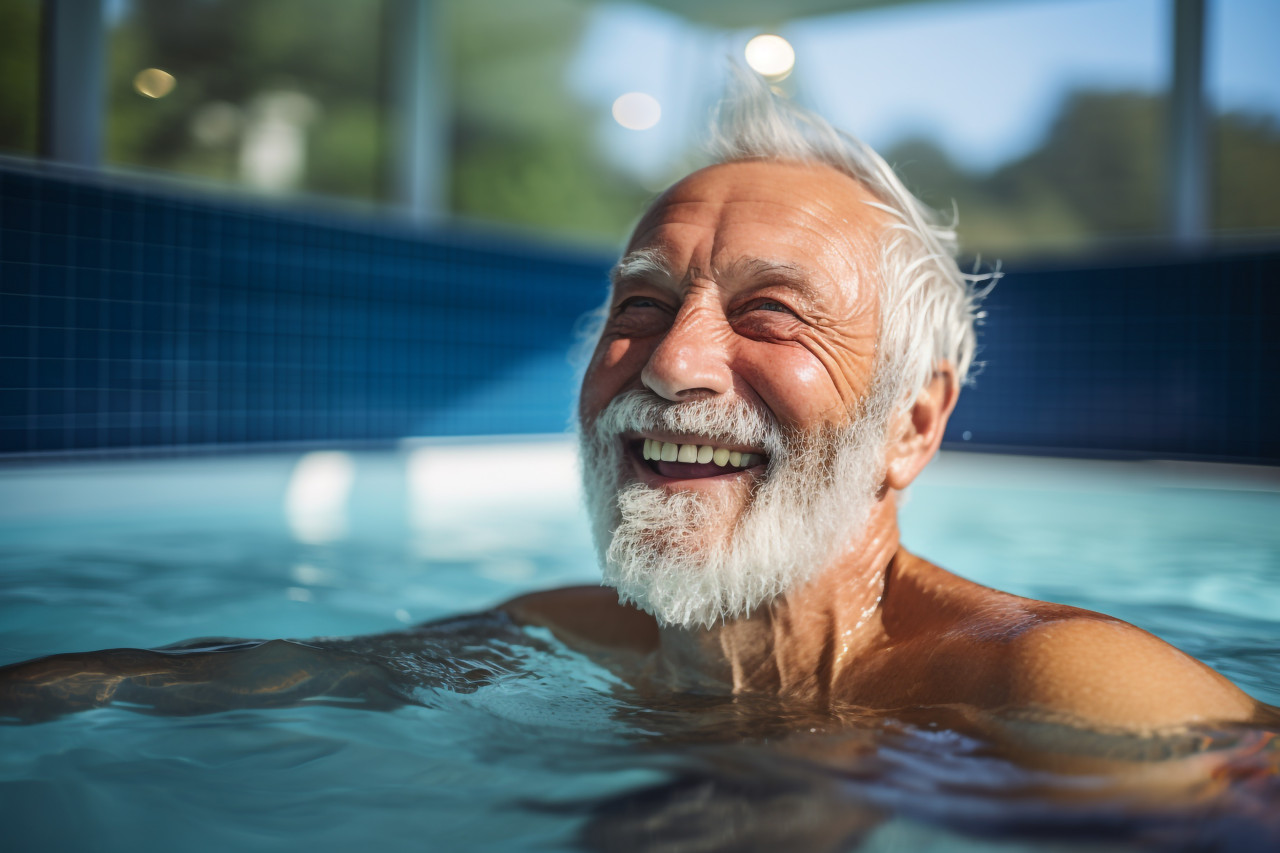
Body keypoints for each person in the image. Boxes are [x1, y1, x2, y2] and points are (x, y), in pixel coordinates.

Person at [1, 74, 1274, 739]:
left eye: (768, 314)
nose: (672, 364)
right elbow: (199, 683)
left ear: (911, 426)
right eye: (639, 306)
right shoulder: (566, 636)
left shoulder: (1063, 691)